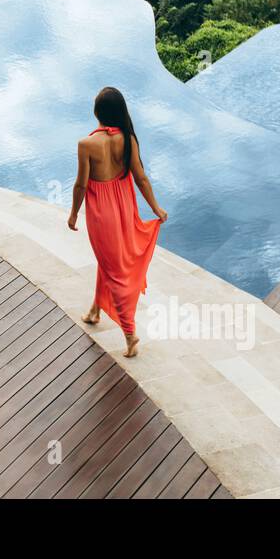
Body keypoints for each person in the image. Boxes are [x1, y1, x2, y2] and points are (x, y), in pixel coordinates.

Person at [67, 86, 167, 357]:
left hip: (103, 216)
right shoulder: (128, 138)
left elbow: (80, 185)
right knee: (109, 261)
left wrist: (74, 213)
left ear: (97, 112)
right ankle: (95, 311)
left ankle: (130, 334)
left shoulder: (87, 145)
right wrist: (156, 208)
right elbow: (141, 178)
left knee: (114, 271)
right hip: (125, 208)